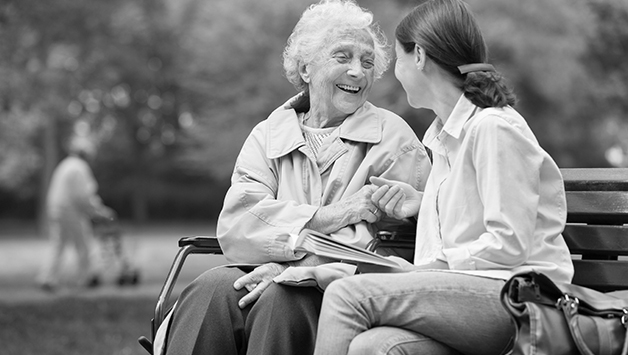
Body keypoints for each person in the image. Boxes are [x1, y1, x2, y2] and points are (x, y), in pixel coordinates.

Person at [163, 1, 432, 354]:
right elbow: (239, 224)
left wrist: (297, 264)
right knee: (209, 290)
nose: (358, 72)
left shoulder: (394, 139)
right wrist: (336, 215)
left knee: (283, 298)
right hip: (263, 269)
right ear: (306, 68)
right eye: (343, 57)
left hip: (344, 289)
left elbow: (398, 244)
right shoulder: (268, 135)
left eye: (367, 62)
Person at [313, 0, 575, 354]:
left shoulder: (493, 128)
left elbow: (509, 242)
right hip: (479, 296)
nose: (396, 73)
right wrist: (425, 204)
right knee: (374, 347)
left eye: (400, 61)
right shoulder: (445, 138)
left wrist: (425, 271)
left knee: (347, 295)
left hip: (520, 301)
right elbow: (481, 213)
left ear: (419, 56)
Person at [37, 134, 115, 292]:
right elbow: (84, 196)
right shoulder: (80, 168)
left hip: (56, 210)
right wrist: (99, 211)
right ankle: (87, 278)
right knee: (84, 244)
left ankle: (47, 278)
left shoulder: (65, 164)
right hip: (71, 211)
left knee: (57, 245)